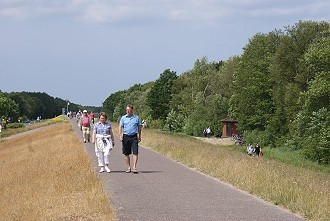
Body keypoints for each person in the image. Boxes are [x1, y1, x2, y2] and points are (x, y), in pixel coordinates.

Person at [119, 104, 142, 174]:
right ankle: (129, 167)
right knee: (126, 153)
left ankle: (134, 167)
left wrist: (139, 136)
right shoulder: (123, 118)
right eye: (127, 110)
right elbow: (120, 126)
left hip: (134, 136)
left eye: (129, 110)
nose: (128, 111)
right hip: (126, 136)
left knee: (135, 152)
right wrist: (120, 135)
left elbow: (139, 127)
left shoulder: (136, 118)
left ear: (132, 110)